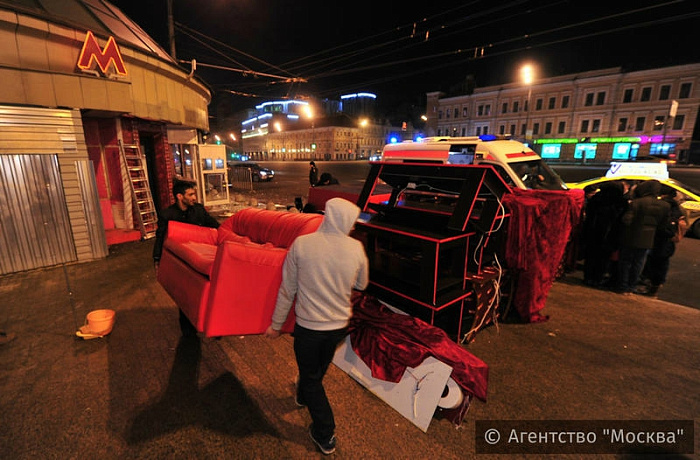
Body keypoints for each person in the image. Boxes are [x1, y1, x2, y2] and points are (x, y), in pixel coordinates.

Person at [265, 198, 369, 455]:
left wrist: (276, 325)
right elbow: (362, 284)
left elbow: (288, 290)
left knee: (311, 378)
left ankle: (325, 432)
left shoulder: (303, 245)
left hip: (309, 328)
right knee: (317, 371)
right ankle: (303, 395)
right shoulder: (356, 248)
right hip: (338, 327)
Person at [153, 178, 220, 336]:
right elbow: (160, 238)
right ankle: (188, 332)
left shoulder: (198, 210)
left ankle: (212, 325)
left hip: (199, 259)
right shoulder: (167, 215)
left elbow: (214, 225)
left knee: (206, 292)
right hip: (181, 261)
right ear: (179, 196)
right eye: (190, 194)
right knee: (185, 296)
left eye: (194, 194)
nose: (194, 198)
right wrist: (157, 260)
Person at [615, 180, 670, 295]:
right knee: (638, 263)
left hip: (631, 236)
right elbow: (663, 225)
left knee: (625, 262)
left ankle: (622, 286)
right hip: (648, 238)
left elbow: (626, 220)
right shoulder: (664, 206)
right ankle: (631, 286)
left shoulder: (637, 203)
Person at [638, 185, 688, 297]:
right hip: (666, 243)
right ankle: (652, 286)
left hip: (661, 242)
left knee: (657, 264)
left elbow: (666, 227)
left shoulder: (667, 207)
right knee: (659, 264)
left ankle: (652, 288)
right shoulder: (677, 208)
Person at [581, 182, 627, 287]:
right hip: (610, 234)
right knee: (603, 258)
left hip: (593, 232)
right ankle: (597, 278)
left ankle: (588, 277)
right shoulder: (620, 201)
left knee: (591, 256)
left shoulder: (597, 198)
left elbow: (589, 216)